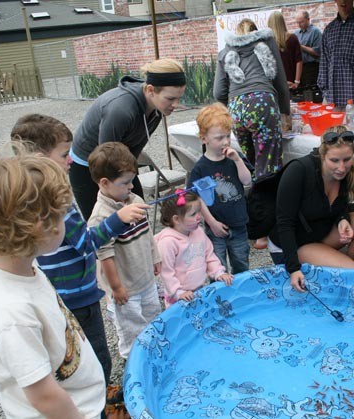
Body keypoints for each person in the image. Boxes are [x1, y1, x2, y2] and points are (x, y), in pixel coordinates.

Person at [0, 155, 105, 418]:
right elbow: (44, 397)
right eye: (63, 216)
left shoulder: (21, 264)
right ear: (38, 229)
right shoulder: (10, 314)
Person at [10, 114, 148, 386]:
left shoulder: (29, 193)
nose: (70, 160)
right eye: (64, 155)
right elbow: (86, 243)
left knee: (70, 353)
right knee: (96, 357)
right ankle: (99, 400)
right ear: (39, 156)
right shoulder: (56, 200)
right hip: (77, 296)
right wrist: (117, 220)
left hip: (59, 293)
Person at [69, 58, 186, 219]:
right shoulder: (121, 110)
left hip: (120, 160)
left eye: (179, 98)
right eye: (171, 99)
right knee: (106, 224)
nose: (176, 104)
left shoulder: (158, 109)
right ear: (151, 90)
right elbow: (106, 158)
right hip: (89, 165)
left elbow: (134, 150)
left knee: (138, 215)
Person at [270, 125, 354, 292]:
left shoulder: (347, 172)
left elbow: (341, 206)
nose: (342, 167)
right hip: (293, 243)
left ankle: (340, 275)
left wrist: (343, 219)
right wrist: (293, 269)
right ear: (322, 156)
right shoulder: (298, 170)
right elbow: (284, 223)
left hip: (319, 232)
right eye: (334, 160)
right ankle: (343, 271)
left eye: (347, 159)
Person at [87, 142, 161, 359]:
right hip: (126, 290)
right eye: (125, 182)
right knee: (131, 329)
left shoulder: (134, 200)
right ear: (104, 183)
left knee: (153, 317)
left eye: (132, 180)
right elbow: (105, 255)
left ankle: (153, 353)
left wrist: (155, 256)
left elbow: (147, 232)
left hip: (146, 279)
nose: (131, 186)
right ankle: (134, 362)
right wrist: (116, 288)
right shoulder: (101, 217)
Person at [214, 18, 291, 182]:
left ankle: (253, 199)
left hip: (236, 108)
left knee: (251, 162)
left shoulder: (224, 52)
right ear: (255, 32)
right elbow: (280, 81)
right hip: (263, 104)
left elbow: (218, 92)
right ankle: (268, 203)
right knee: (268, 164)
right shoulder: (267, 42)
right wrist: (285, 111)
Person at [190, 103, 252, 273]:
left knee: (242, 266)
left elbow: (247, 181)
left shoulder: (235, 158)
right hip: (215, 228)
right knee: (217, 269)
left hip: (239, 224)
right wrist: (212, 223)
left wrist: (238, 161)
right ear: (204, 139)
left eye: (228, 136)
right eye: (219, 138)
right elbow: (197, 198)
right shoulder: (200, 168)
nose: (225, 142)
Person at [155, 191, 234, 307]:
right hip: (178, 298)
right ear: (176, 219)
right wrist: (177, 292)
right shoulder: (167, 242)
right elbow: (166, 273)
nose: (199, 217)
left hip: (199, 289)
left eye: (199, 212)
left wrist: (218, 272)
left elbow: (209, 255)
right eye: (193, 214)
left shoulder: (198, 232)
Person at [268, 11, 303, 93]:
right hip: (291, 84)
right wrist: (296, 82)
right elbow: (299, 61)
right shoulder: (292, 38)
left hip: (275, 84)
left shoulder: (268, 41)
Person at [294, 10, 322, 89]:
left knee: (311, 92)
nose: (299, 25)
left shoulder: (315, 32)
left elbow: (318, 52)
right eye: (297, 22)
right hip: (300, 68)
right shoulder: (296, 33)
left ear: (308, 19)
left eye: (301, 22)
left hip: (312, 67)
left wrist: (301, 46)